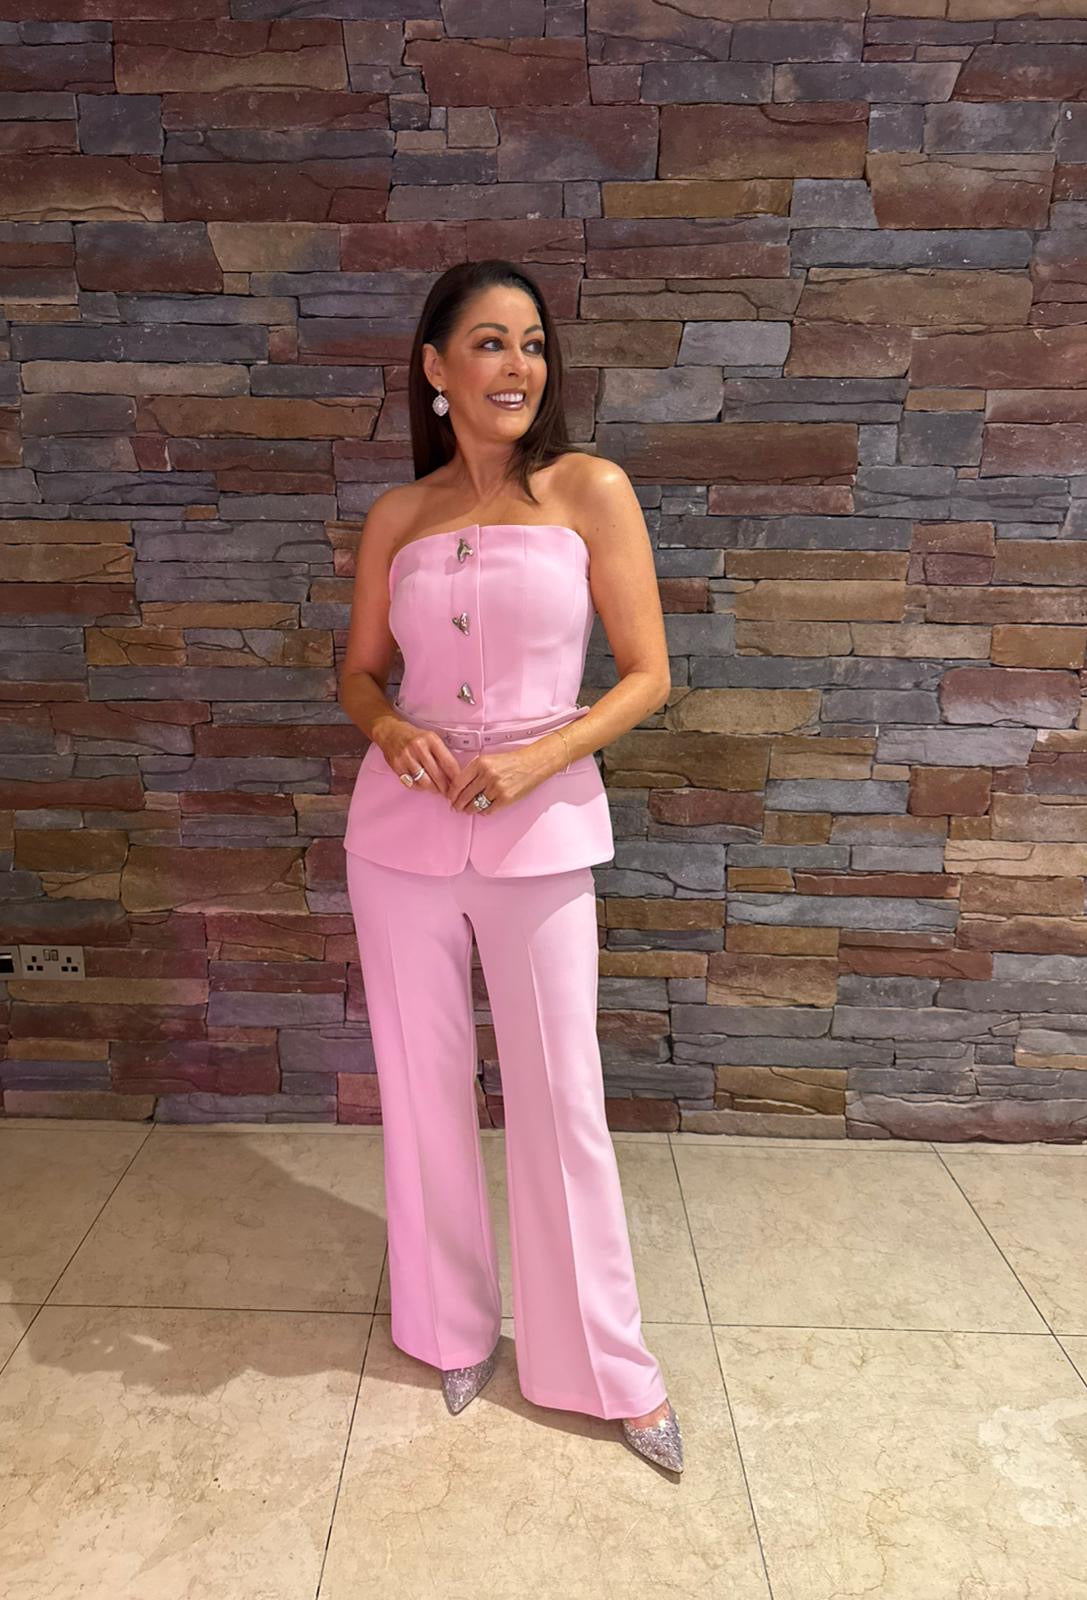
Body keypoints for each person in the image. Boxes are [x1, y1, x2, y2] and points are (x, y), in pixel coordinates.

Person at [338, 258, 682, 1473]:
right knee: (420, 1084)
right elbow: (359, 674)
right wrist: (390, 727)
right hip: (399, 835)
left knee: (560, 1094)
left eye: (532, 342)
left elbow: (648, 673)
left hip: (541, 826)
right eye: (489, 342)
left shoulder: (591, 489)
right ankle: (447, 1326)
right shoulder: (399, 515)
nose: (518, 365)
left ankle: (603, 1363)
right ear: (436, 368)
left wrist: (542, 757)